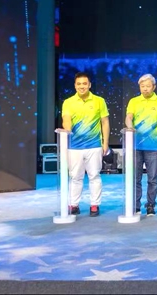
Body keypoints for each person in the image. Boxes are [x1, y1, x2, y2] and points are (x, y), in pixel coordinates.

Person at [61, 72, 110, 217]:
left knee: (94, 176)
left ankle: (94, 205)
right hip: (74, 147)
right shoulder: (68, 102)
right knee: (75, 177)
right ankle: (73, 204)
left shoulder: (99, 101)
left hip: (94, 145)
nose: (81, 86)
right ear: (75, 86)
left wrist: (105, 143)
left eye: (84, 84)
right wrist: (67, 129)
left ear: (89, 85)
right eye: (79, 84)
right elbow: (66, 119)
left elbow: (105, 122)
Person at [125, 74, 157, 216]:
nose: (145, 89)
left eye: (148, 86)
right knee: (135, 178)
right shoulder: (134, 101)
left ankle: (150, 205)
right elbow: (129, 117)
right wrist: (130, 127)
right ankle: (136, 206)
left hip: (154, 147)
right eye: (142, 86)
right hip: (136, 147)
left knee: (153, 179)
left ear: (154, 87)